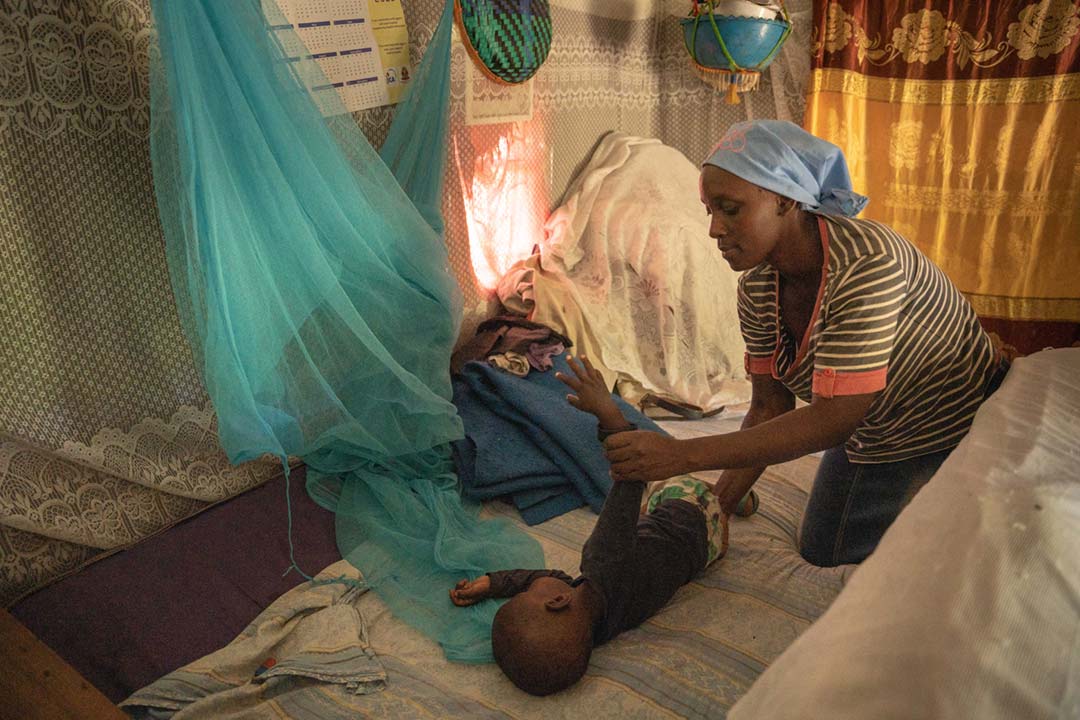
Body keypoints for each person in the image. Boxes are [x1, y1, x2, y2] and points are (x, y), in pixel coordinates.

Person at [600, 119, 1008, 567]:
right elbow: (770, 408)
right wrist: (716, 507)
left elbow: (835, 421)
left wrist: (682, 456)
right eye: (709, 210)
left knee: (849, 554)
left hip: (944, 420)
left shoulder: (868, 264)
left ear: (784, 199)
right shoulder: (757, 288)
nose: (715, 229)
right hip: (866, 422)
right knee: (821, 546)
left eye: (730, 208)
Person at [449, 356, 728, 696]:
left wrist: (495, 583)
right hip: (689, 515)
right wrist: (608, 413)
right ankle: (726, 498)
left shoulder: (599, 625)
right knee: (662, 482)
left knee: (647, 523)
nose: (529, 587)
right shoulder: (603, 560)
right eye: (525, 596)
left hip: (706, 554)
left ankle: (723, 509)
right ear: (557, 602)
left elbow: (546, 582)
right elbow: (630, 473)